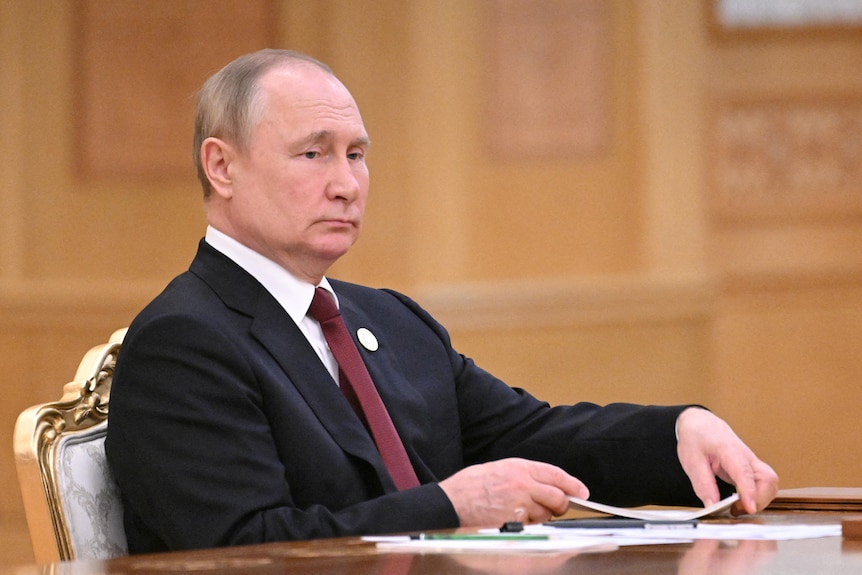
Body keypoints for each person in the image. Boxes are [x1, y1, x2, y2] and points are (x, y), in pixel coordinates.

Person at [105, 49, 778, 554]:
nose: (347, 184)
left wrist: (677, 430)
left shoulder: (390, 320)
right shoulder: (185, 342)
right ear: (220, 166)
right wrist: (448, 507)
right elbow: (243, 548)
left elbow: (527, 433)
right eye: (313, 154)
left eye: (357, 154)